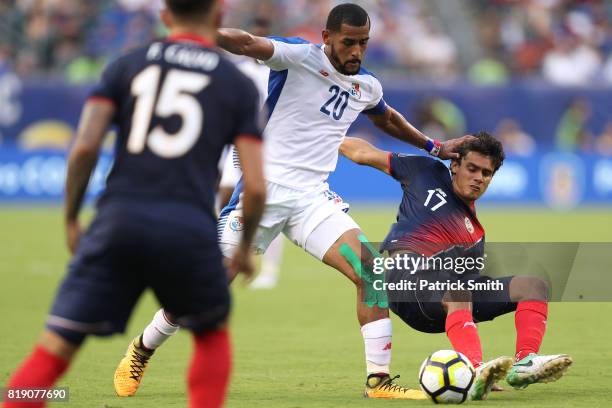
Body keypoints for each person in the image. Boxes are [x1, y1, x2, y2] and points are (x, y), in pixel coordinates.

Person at [114, 3, 470, 400]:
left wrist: (433, 145)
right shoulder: (299, 57)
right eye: (348, 42)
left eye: (363, 43)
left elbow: (385, 118)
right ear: (327, 38)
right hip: (261, 192)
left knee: (371, 272)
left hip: (312, 200)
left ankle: (379, 381)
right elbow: (248, 42)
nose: (356, 51)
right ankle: (142, 349)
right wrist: (197, 35)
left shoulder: (367, 86)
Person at [3, 1, 266, 407]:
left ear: (165, 18)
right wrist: (246, 248)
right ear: (217, 19)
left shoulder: (127, 64)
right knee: (212, 336)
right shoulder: (237, 84)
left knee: (55, 346)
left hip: (119, 218)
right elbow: (256, 186)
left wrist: (72, 218)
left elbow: (85, 147)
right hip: (188, 226)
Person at [339, 133, 572, 400]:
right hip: (405, 280)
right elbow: (361, 153)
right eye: (472, 168)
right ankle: (475, 370)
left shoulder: (476, 234)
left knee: (533, 286)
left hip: (442, 299)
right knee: (458, 291)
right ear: (455, 166)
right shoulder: (425, 171)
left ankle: (524, 363)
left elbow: (467, 293)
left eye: (487, 173)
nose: (478, 178)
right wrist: (328, 137)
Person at [217, 17, 285, 290]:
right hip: (237, 143)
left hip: (266, 145)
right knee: (224, 194)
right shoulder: (237, 70)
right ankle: (223, 255)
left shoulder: (276, 70)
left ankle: (268, 269)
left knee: (270, 205)